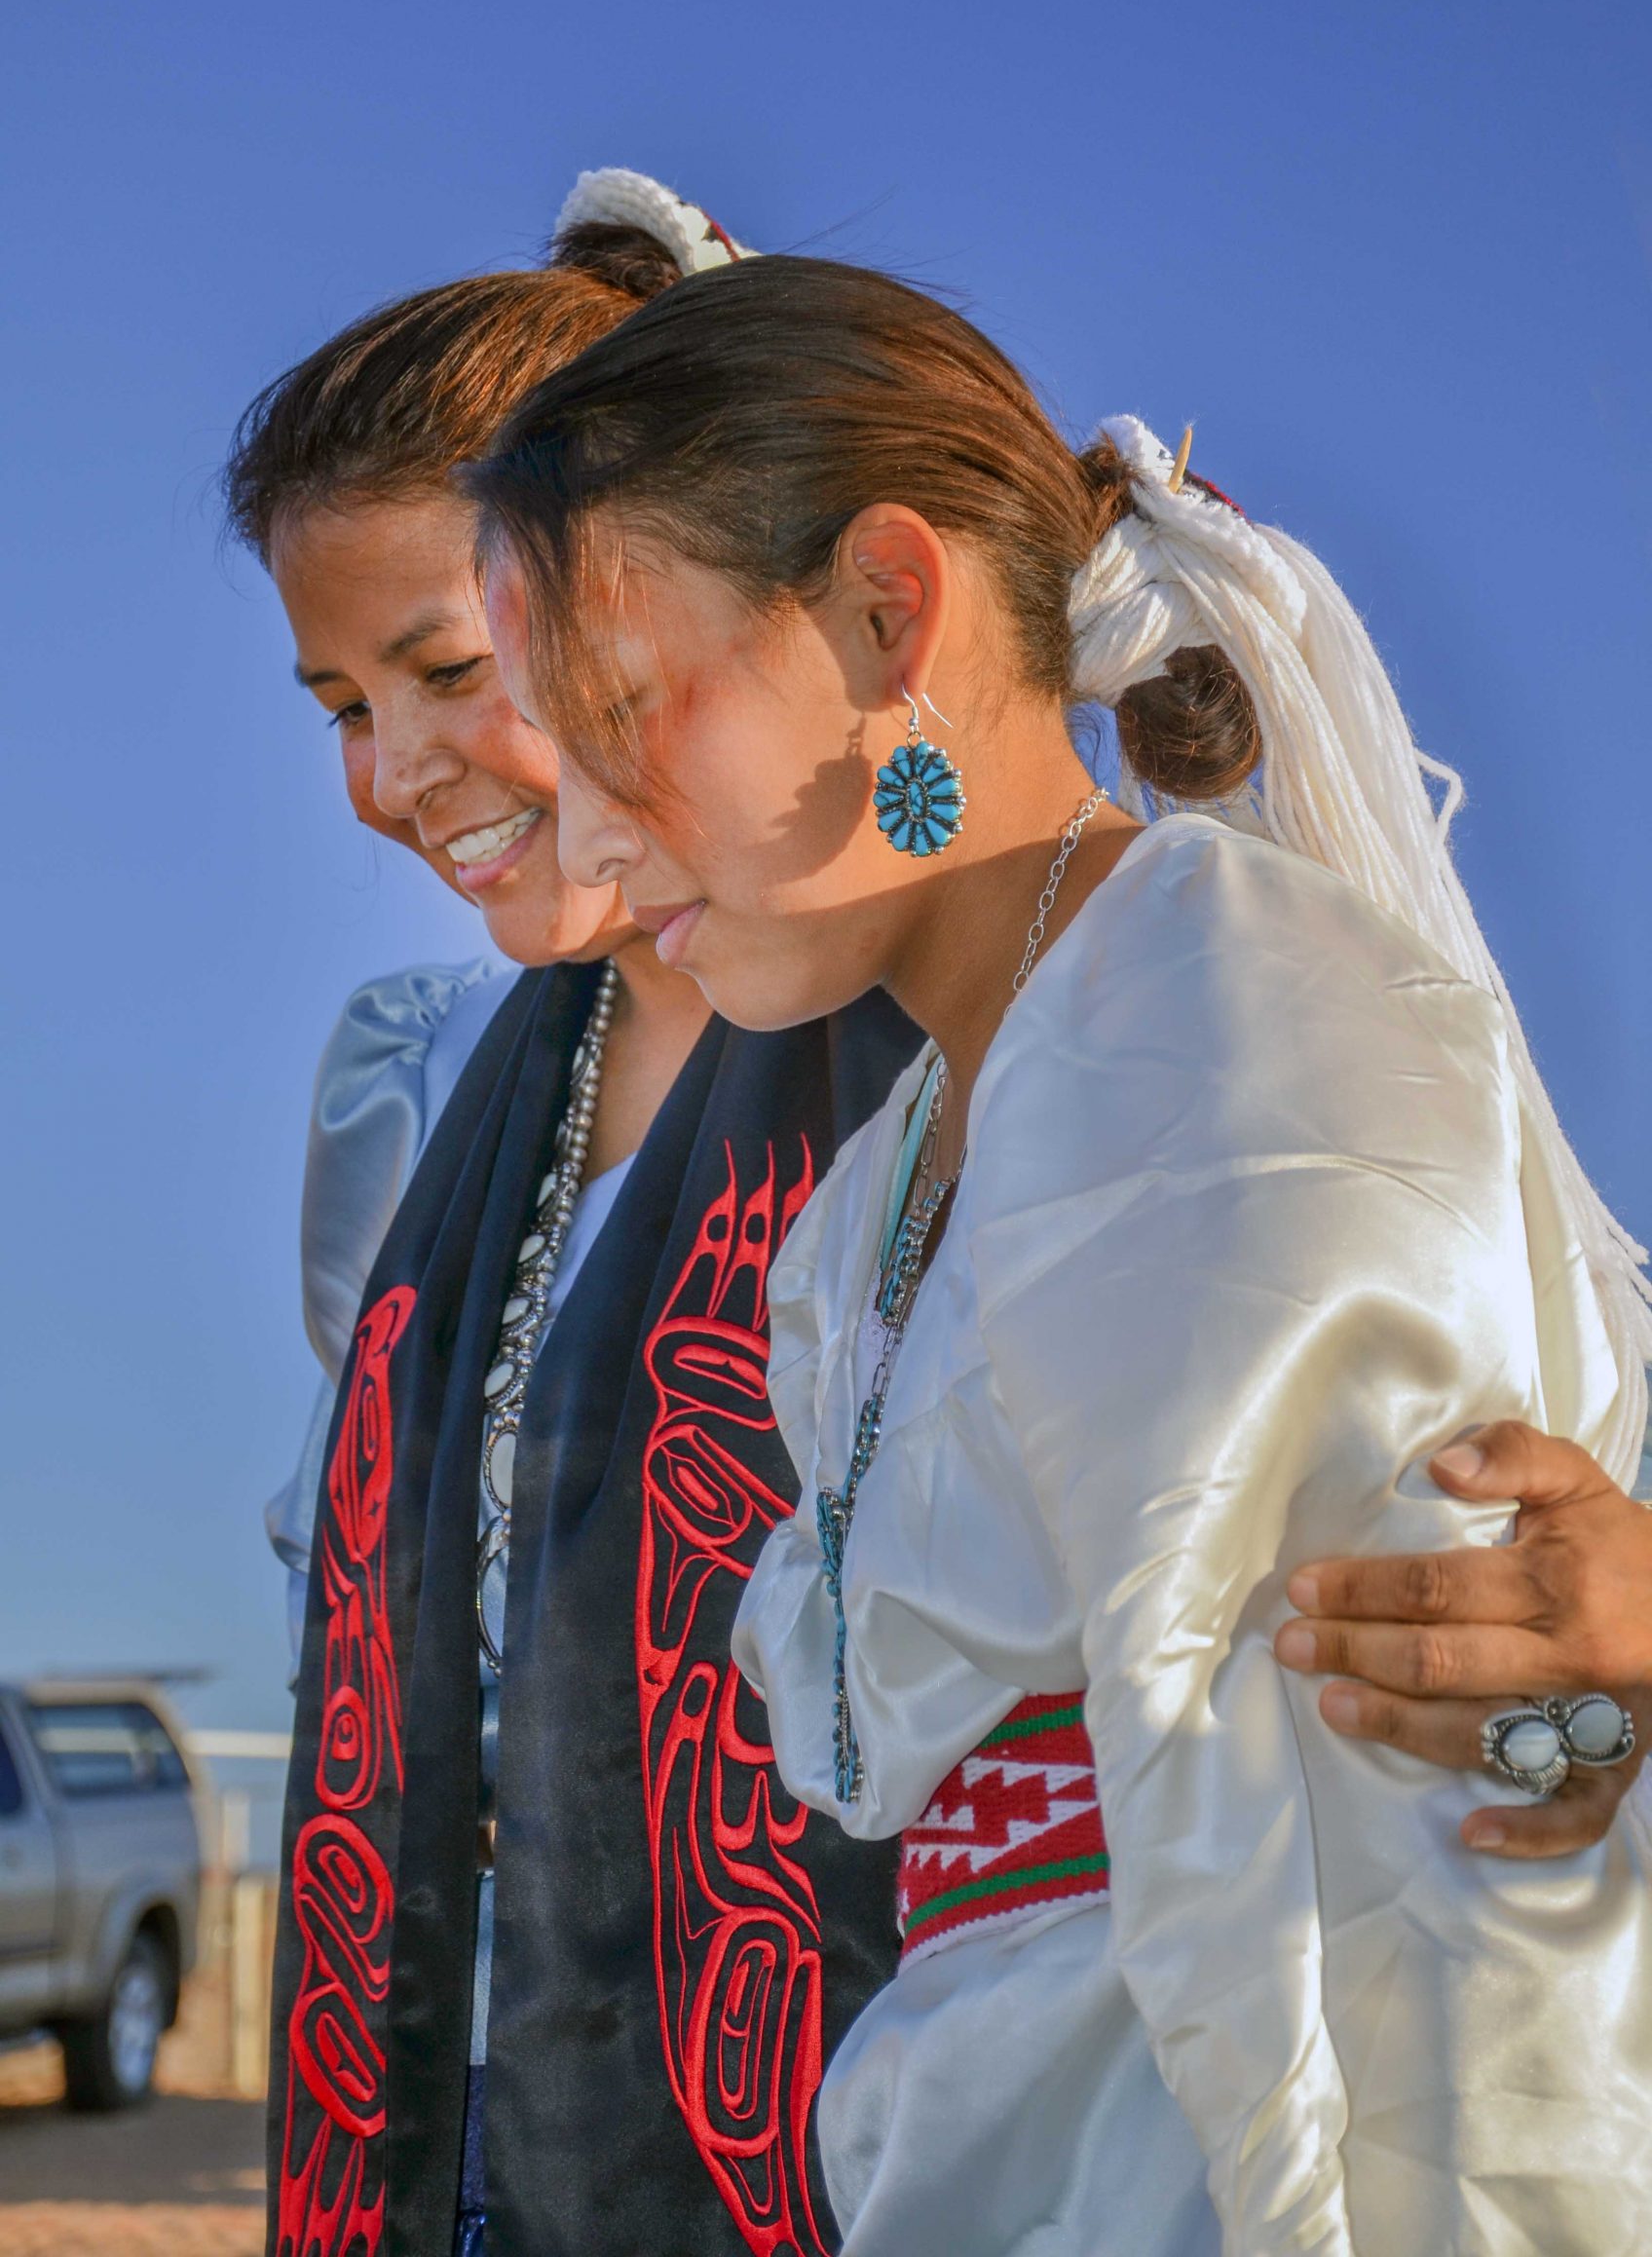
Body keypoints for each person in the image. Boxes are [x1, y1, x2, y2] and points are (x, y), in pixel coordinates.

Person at [466, 250, 1652, 2253]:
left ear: (883, 610)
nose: (580, 840)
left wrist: (1581, 1729)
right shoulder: (874, 1195)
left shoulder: (1247, 1032)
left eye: (621, 715)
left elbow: (1452, 1810)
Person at [227, 175, 918, 2257]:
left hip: (860, 2129)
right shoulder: (417, 1082)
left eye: (444, 663)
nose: (389, 772)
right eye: (344, 705)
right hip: (433, 2126)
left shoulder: (972, 1017)